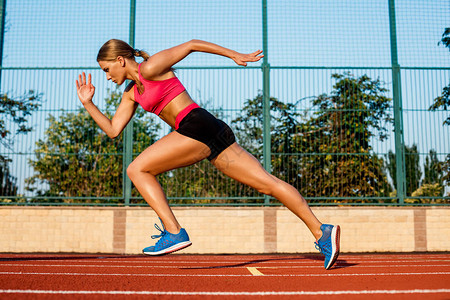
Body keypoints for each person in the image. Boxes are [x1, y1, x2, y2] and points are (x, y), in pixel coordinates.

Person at [75, 39, 340, 269]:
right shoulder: (130, 95)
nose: (107, 76)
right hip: (211, 131)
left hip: (195, 125)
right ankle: (322, 231)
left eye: (107, 70)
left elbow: (192, 45)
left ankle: (174, 231)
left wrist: (234, 54)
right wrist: (88, 103)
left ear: (120, 60)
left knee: (137, 169)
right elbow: (113, 130)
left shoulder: (151, 67)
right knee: (268, 183)